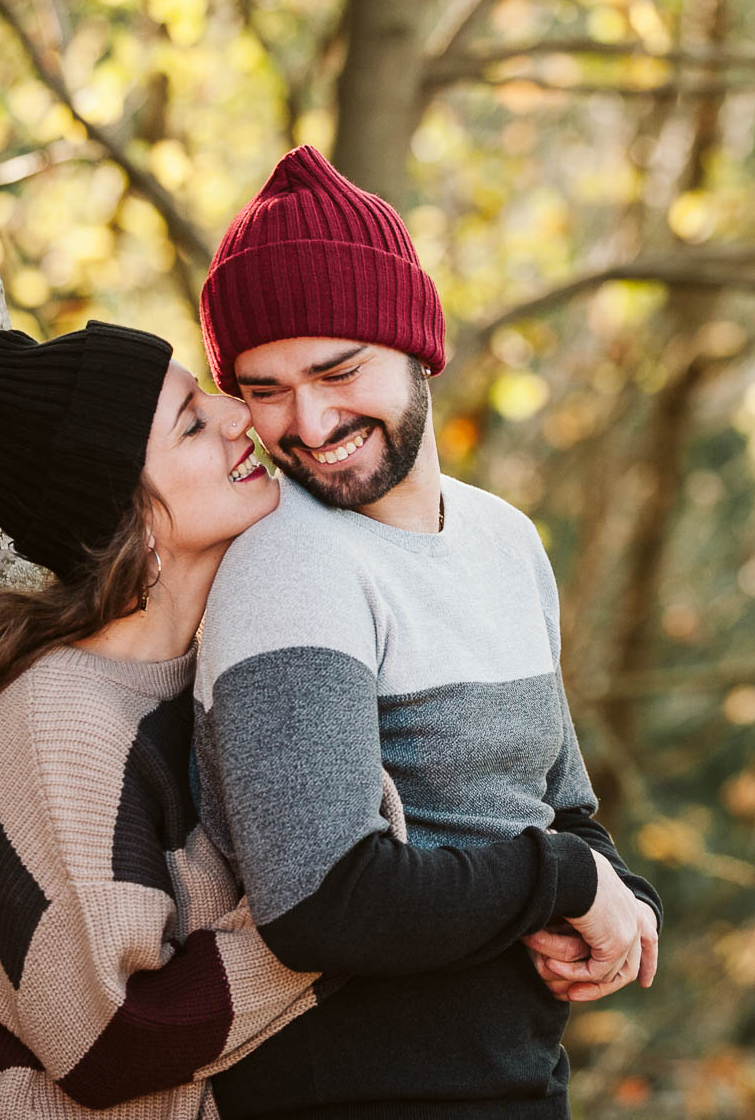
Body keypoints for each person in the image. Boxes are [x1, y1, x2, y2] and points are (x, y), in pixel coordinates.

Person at [192, 145, 663, 1119]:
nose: (308, 421)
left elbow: (560, 807)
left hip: (518, 1083)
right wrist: (565, 882)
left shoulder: (504, 539)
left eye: (336, 370)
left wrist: (622, 901)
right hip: (348, 1096)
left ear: (417, 343)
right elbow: (322, 903)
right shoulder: (290, 561)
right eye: (263, 388)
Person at [0, 320, 410, 1117]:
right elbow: (110, 1039)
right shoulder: (61, 716)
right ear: (131, 520)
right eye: (193, 422)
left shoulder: (202, 675)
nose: (239, 415)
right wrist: (331, 909)